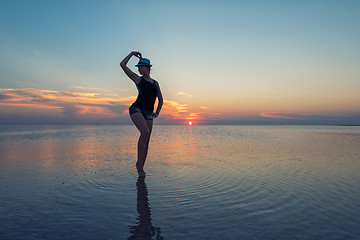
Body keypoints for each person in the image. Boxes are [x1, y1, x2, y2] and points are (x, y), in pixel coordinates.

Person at [120, 51, 163, 177]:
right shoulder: (137, 79)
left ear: (147, 68)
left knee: (147, 140)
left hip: (149, 112)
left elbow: (161, 99)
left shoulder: (155, 83)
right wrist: (132, 53)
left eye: (141, 66)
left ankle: (141, 168)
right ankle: (138, 163)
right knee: (145, 132)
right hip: (136, 109)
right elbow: (122, 65)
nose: (139, 69)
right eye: (138, 67)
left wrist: (157, 112)